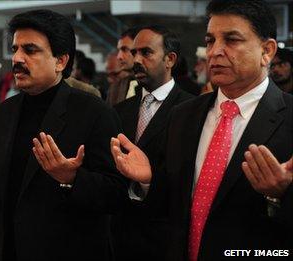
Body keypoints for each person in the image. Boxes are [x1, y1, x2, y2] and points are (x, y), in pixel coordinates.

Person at [0, 9, 127, 261]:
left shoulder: (94, 112)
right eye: (15, 48)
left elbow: (116, 194)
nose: (17, 58)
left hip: (69, 249)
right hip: (10, 249)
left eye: (30, 50)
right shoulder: (2, 115)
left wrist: (71, 178)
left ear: (60, 61)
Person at [111, 1, 292, 260]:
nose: (215, 51)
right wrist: (150, 180)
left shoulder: (289, 119)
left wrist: (281, 195)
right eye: (210, 40)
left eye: (231, 40)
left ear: (267, 50)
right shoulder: (184, 114)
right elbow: (174, 206)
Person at [112, 25, 194, 261]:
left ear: (170, 59)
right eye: (134, 52)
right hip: (120, 237)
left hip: (164, 238)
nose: (136, 60)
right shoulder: (120, 111)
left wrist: (149, 182)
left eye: (146, 53)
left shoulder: (191, 110)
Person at [107, 28, 140, 106]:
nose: (119, 56)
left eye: (124, 49)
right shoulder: (115, 88)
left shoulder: (155, 85)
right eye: (119, 50)